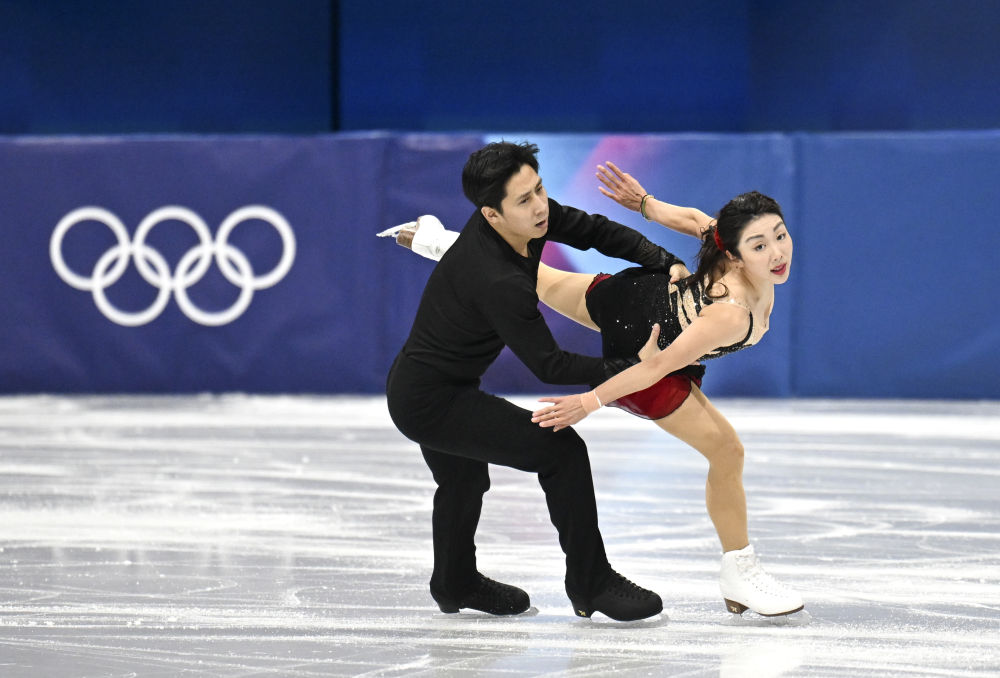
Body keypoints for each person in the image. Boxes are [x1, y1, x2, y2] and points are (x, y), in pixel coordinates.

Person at [390, 160, 805, 618]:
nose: (777, 253)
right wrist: (590, 401)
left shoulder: (729, 241)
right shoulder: (730, 313)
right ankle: (739, 572)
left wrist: (645, 204)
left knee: (541, 279)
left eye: (780, 235)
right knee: (727, 451)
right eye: (760, 245)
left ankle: (440, 243)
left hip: (631, 300)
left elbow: (692, 220)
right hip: (648, 361)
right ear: (735, 255)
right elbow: (658, 366)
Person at [383, 142, 683, 622]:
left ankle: (454, 580)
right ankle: (591, 582)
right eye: (524, 200)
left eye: (539, 189)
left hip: (432, 385)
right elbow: (549, 365)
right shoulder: (496, 279)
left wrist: (663, 260)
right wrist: (632, 366)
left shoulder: (529, 221)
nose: (540, 205)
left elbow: (595, 230)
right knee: (561, 452)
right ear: (491, 214)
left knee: (463, 478)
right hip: (428, 402)